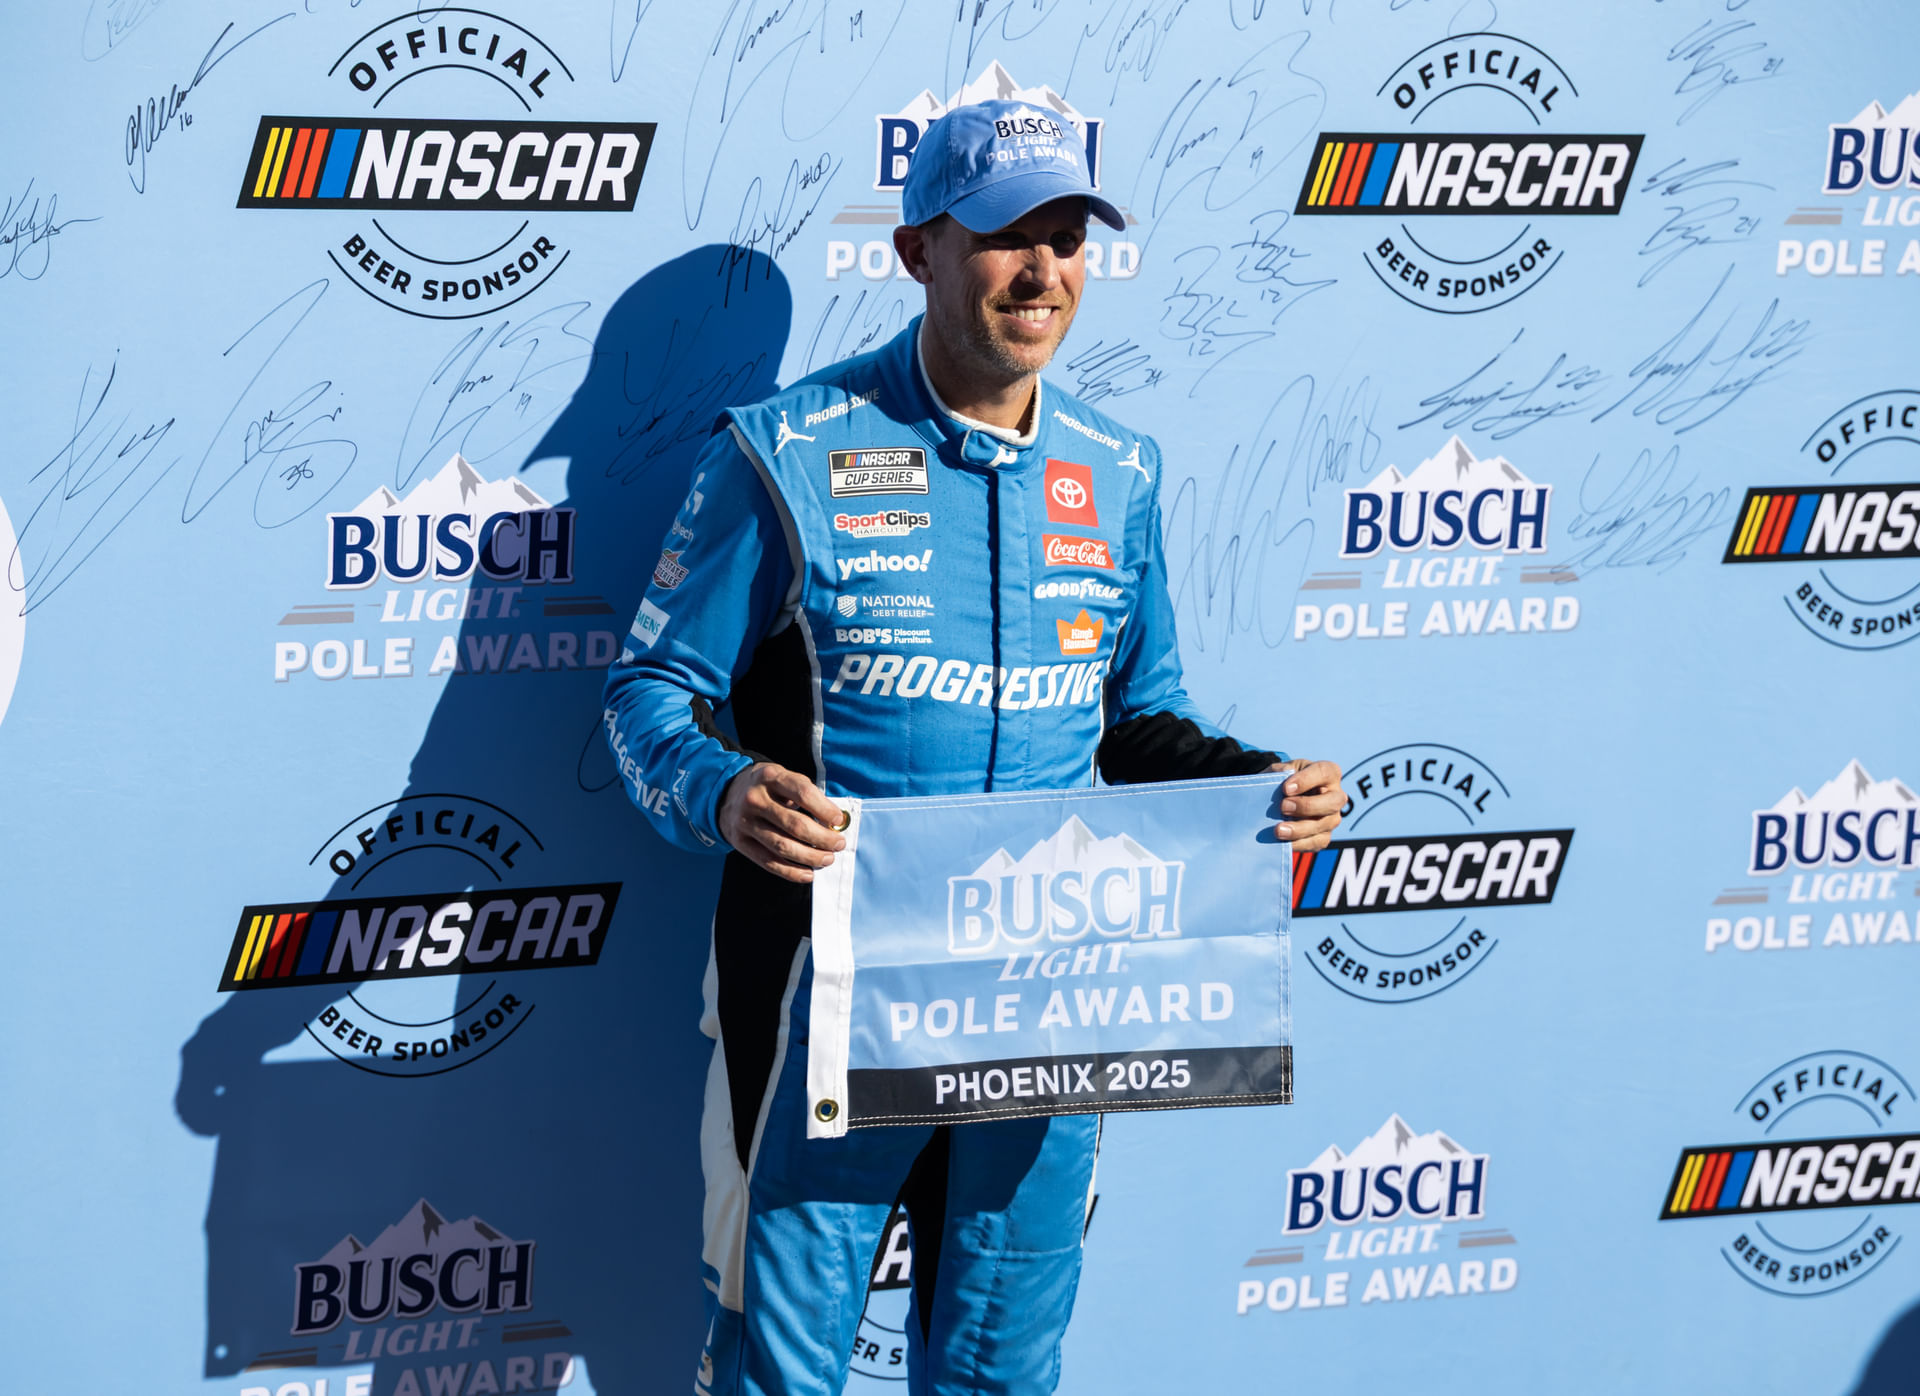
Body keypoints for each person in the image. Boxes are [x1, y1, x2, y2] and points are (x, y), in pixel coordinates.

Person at [602, 97, 1345, 1396]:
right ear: (917, 251)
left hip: (1050, 999)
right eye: (1006, 234)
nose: (1043, 269)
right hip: (821, 1002)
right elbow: (648, 695)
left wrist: (1258, 790)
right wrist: (724, 796)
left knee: (1003, 1372)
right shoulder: (785, 454)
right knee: (782, 1378)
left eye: (1069, 235)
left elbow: (1143, 723)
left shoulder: (1120, 472)